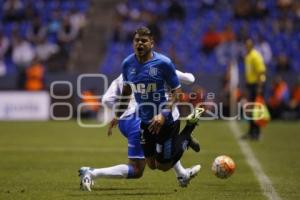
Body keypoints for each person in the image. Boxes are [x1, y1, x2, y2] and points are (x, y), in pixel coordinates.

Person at [79, 70, 202, 191]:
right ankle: (92, 172)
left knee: (158, 150)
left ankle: (182, 174)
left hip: (124, 123)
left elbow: (106, 100)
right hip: (139, 119)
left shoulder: (123, 75)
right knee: (138, 168)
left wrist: (121, 112)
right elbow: (190, 79)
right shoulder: (160, 67)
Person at [116, 27, 202, 175]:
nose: (140, 44)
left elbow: (178, 92)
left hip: (167, 122)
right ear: (133, 42)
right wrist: (117, 115)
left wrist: (163, 115)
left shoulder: (164, 63)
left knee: (164, 166)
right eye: (137, 40)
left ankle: (186, 134)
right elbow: (126, 92)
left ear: (152, 43)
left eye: (144, 41)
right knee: (151, 164)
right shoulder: (127, 64)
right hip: (145, 121)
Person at [243, 38, 267, 140]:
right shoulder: (248, 56)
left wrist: (259, 87)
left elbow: (261, 72)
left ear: (252, 45)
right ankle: (251, 131)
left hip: (256, 85)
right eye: (246, 44)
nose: (247, 46)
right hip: (251, 85)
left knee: (256, 110)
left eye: (249, 44)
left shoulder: (255, 56)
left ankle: (256, 132)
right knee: (251, 109)